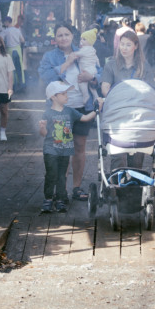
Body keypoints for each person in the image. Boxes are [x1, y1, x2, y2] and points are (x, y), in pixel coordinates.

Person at [38, 23, 98, 202]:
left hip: (81, 107)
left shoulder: (84, 51)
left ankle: (77, 187)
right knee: (62, 149)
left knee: (80, 146)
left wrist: (92, 78)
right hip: (60, 111)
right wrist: (67, 62)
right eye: (59, 35)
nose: (63, 38)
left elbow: (99, 71)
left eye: (66, 34)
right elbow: (47, 77)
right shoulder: (50, 56)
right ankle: (61, 189)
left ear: (73, 36)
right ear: (55, 39)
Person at [38, 81, 98, 213]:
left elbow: (86, 118)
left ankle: (60, 200)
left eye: (66, 93)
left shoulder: (70, 111)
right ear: (53, 97)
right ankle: (48, 199)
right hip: (51, 150)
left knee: (61, 176)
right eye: (63, 94)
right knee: (51, 174)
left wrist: (97, 109)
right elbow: (44, 134)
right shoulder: (47, 113)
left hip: (65, 151)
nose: (67, 96)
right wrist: (42, 128)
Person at [100, 30, 154, 170]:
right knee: (118, 154)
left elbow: (149, 90)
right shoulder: (111, 65)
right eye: (122, 44)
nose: (123, 48)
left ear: (136, 46)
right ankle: (117, 184)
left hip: (137, 115)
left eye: (128, 45)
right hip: (117, 114)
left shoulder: (144, 66)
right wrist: (120, 97)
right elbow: (105, 87)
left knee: (137, 154)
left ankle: (134, 184)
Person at [73, 28, 99, 104]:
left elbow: (78, 54)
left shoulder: (85, 49)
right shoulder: (92, 49)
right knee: (91, 86)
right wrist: (98, 64)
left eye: (84, 39)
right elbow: (96, 59)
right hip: (92, 69)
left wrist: (72, 55)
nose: (81, 41)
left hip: (86, 70)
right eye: (81, 39)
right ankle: (96, 96)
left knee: (81, 82)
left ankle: (85, 95)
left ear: (90, 41)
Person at [1, 16, 26, 92]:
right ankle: (21, 85)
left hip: (10, 50)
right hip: (17, 50)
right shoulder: (17, 30)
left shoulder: (5, 31)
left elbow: (0, 39)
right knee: (19, 68)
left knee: (11, 69)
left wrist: (4, 46)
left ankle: (13, 86)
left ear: (6, 22)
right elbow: (23, 40)